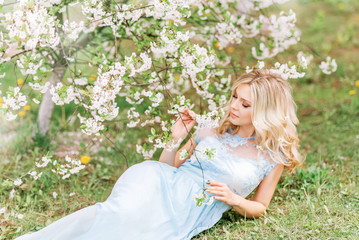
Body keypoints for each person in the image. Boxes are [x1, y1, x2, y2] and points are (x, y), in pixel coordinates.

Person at [16, 69, 302, 240]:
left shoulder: (272, 157)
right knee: (116, 214)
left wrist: (236, 200)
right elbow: (169, 167)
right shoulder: (208, 132)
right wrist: (175, 140)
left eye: (245, 103)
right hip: (156, 183)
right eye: (234, 97)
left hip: (187, 211)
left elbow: (260, 207)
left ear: (264, 111)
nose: (234, 106)